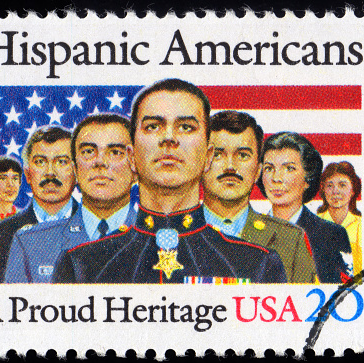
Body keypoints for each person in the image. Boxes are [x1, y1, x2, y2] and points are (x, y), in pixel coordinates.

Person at [54, 78, 287, 284]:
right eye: (153, 126)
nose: (168, 138)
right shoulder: (82, 266)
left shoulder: (256, 265)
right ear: (131, 157)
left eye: (186, 127)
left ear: (207, 157)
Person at [4, 114, 138, 283]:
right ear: (75, 169)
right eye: (88, 152)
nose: (100, 162)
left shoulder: (160, 240)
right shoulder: (30, 244)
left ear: (136, 167)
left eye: (115, 152)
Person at [202, 111, 316, 283]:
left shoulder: (291, 240)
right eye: (217, 155)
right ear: (199, 164)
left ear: (258, 170)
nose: (230, 167)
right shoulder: (172, 232)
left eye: (243, 155)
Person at [0, 126, 78, 283]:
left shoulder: (100, 231)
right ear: (27, 174)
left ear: (77, 171)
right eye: (40, 162)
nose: (50, 172)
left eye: (61, 162)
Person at [258, 131, 352, 283]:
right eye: (269, 168)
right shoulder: (248, 230)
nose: (276, 178)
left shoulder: (332, 235)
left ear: (308, 179)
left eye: (289, 168)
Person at [317, 161, 362, 276]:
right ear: (323, 190)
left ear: (352, 190)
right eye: (330, 186)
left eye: (342, 185)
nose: (335, 191)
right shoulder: (314, 223)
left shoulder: (361, 225)